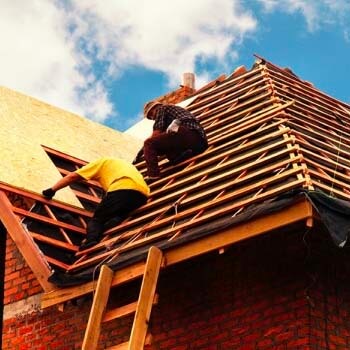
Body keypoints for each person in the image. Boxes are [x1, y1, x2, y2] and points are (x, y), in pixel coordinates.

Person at [42, 157, 150, 250]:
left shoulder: (99, 163)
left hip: (122, 188)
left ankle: (91, 241)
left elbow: (72, 177)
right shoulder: (120, 166)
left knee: (97, 220)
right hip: (142, 195)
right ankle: (115, 221)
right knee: (117, 214)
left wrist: (52, 190)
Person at [136, 101, 208, 179]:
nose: (153, 118)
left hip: (188, 134)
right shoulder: (169, 117)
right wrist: (141, 152)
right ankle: (182, 156)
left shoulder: (162, 108)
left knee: (149, 143)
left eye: (151, 114)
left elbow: (156, 133)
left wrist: (145, 148)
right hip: (199, 144)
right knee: (165, 146)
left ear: (155, 107)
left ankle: (153, 175)